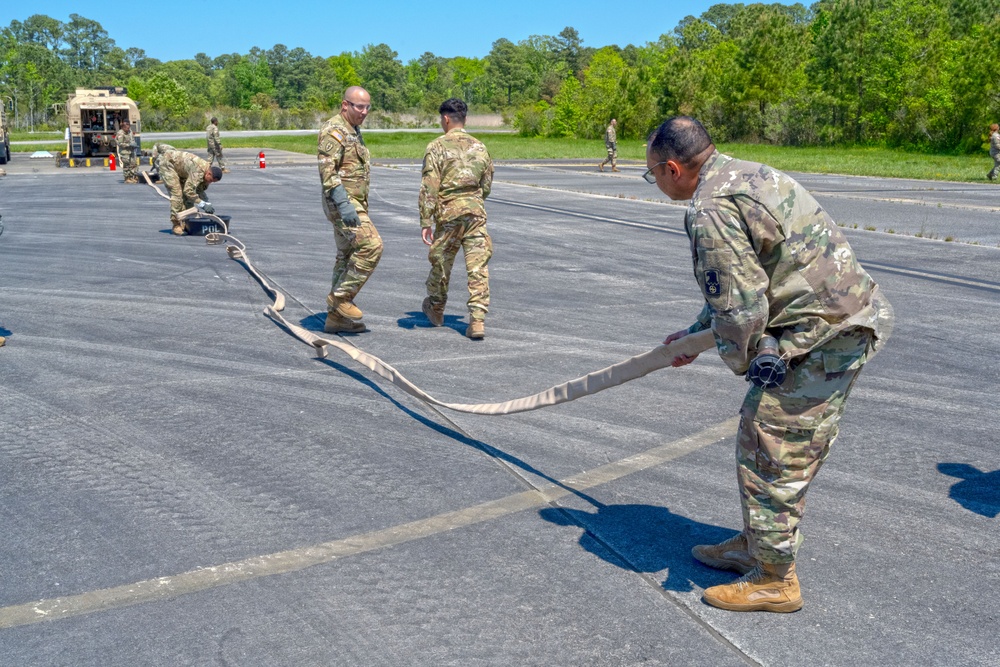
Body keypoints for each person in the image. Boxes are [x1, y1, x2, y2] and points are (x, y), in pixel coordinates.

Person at [645, 116, 891, 613]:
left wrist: (737, 356)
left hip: (822, 336)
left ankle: (776, 579)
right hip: (837, 317)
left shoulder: (709, 208)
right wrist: (695, 334)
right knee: (762, 435)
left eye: (653, 175)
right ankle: (757, 543)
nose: (657, 183)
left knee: (772, 447)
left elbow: (739, 309)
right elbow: (751, 275)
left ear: (674, 168)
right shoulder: (748, 175)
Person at [419, 98, 495, 340]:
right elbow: (487, 185)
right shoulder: (480, 147)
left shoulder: (437, 147)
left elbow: (429, 186)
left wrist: (425, 220)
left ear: (446, 119)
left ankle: (437, 308)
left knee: (441, 263)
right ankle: (477, 320)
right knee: (478, 268)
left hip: (449, 215)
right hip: (475, 214)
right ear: (465, 119)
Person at [317, 86, 383, 334]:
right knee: (371, 246)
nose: (364, 112)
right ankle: (341, 298)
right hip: (342, 202)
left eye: (367, 107)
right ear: (345, 105)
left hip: (354, 202)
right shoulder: (334, 131)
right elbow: (328, 172)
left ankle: (336, 320)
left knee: (346, 256)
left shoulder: (353, 129)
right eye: (359, 107)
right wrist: (344, 205)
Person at [159, 150, 222, 235]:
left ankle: (186, 224)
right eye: (210, 180)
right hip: (168, 164)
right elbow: (188, 191)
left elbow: (199, 190)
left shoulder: (206, 175)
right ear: (209, 173)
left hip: (181, 170)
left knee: (189, 200)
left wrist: (207, 203)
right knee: (177, 195)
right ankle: (176, 225)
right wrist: (202, 204)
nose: (210, 182)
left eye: (213, 182)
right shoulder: (198, 171)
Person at [114, 119, 139, 184]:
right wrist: (128, 145)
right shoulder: (120, 133)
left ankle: (132, 177)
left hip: (131, 151)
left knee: (133, 164)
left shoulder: (130, 132)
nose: (128, 129)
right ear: (123, 127)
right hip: (125, 152)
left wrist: (134, 144)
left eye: (129, 127)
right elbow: (119, 143)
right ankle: (127, 178)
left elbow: (132, 139)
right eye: (127, 128)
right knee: (127, 165)